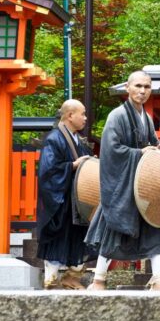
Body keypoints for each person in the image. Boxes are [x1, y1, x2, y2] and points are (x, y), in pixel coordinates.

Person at [85, 71, 160, 291]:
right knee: (113, 229)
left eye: (147, 87)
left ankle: (159, 280)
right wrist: (139, 154)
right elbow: (111, 150)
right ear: (128, 88)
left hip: (146, 186)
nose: (142, 91)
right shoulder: (117, 116)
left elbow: (151, 144)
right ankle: (98, 280)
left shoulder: (146, 118)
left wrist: (156, 150)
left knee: (158, 226)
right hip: (123, 185)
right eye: (138, 86)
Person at [36, 99, 92, 290]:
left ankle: (71, 276)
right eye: (82, 114)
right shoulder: (55, 138)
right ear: (70, 115)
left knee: (78, 236)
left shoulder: (77, 139)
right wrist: (73, 166)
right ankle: (50, 279)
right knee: (57, 236)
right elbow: (48, 171)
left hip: (74, 199)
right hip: (60, 199)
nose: (85, 118)